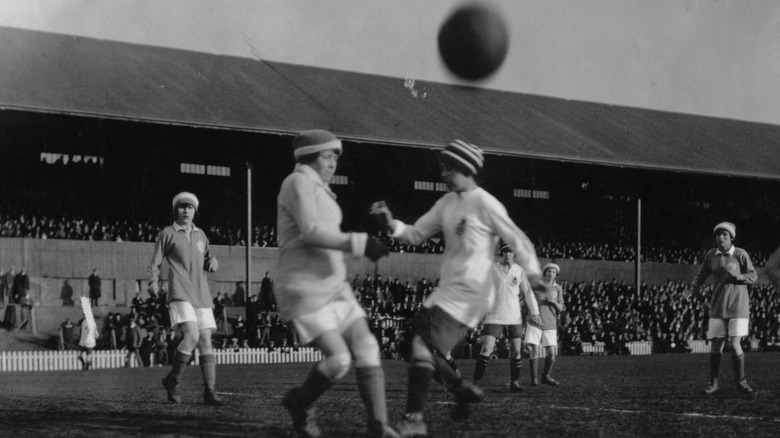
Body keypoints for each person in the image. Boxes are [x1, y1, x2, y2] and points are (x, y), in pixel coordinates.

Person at [371, 139, 545, 436]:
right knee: (407, 343)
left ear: (464, 168)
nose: (442, 173)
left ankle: (414, 420)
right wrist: (391, 225)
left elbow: (518, 240)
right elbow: (415, 234)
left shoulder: (485, 203)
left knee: (419, 347)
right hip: (446, 291)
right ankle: (460, 388)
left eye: (446, 167)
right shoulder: (446, 203)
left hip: (471, 292)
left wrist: (535, 276)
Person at [274, 129, 397, 438]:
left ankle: (378, 427)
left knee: (367, 345)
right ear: (310, 156)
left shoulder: (320, 188)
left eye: (335, 157)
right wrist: (361, 243)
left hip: (334, 285)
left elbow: (327, 238)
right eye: (328, 156)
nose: (333, 163)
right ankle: (300, 404)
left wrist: (358, 248)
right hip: (304, 287)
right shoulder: (297, 182)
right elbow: (312, 232)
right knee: (340, 360)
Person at [148, 191, 223, 406]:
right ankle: (174, 382)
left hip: (201, 293)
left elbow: (208, 257)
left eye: (190, 207)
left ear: (195, 211)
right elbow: (155, 262)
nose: (186, 210)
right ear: (176, 210)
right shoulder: (167, 233)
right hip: (179, 291)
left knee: (206, 340)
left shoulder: (201, 235)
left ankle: (209, 391)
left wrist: (213, 261)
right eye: (182, 207)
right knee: (191, 336)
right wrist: (153, 281)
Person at [684, 222, 757, 396]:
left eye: (724, 234)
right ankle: (713, 384)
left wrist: (738, 277)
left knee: (734, 343)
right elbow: (701, 275)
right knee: (716, 345)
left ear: (731, 237)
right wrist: (692, 289)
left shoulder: (740, 254)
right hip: (718, 306)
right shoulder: (711, 255)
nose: (720, 237)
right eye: (718, 235)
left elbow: (753, 275)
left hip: (738, 306)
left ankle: (741, 382)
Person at [472, 243, 540, 392]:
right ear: (501, 253)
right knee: (486, 349)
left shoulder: (519, 270)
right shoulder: (492, 269)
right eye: (505, 251)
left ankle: (514, 382)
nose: (508, 254)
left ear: (514, 253)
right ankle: (475, 382)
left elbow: (528, 293)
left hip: (514, 315)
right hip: (494, 314)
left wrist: (535, 312)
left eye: (510, 251)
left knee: (516, 351)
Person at [525, 263, 564, 386]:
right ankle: (534, 379)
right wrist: (531, 314)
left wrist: (552, 301)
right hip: (535, 321)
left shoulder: (558, 288)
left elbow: (561, 308)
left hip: (550, 323)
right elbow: (528, 301)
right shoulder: (536, 286)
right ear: (545, 272)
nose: (551, 274)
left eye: (553, 272)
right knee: (534, 350)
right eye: (549, 271)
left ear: (556, 274)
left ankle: (546, 376)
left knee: (552, 354)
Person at [77, 297, 98, 375]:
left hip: (89, 342)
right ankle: (84, 365)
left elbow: (88, 331)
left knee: (88, 358)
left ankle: (86, 370)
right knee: (79, 356)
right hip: (83, 341)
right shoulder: (83, 321)